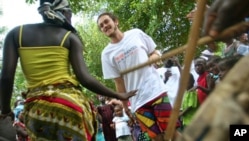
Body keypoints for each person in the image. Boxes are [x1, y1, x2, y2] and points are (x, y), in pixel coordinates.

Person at [0, 0, 137, 140]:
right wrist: (119, 95)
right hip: (70, 105)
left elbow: (6, 78)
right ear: (65, 12)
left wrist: (5, 111)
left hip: (37, 110)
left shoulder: (17, 34)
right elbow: (85, 79)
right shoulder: (70, 37)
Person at [97, 12, 180, 141]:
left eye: (106, 22)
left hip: (156, 92)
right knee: (156, 138)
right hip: (138, 103)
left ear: (116, 21)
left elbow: (155, 53)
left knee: (173, 133)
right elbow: (119, 83)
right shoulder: (106, 54)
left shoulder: (136, 34)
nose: (104, 26)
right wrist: (125, 107)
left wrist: (152, 58)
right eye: (101, 26)